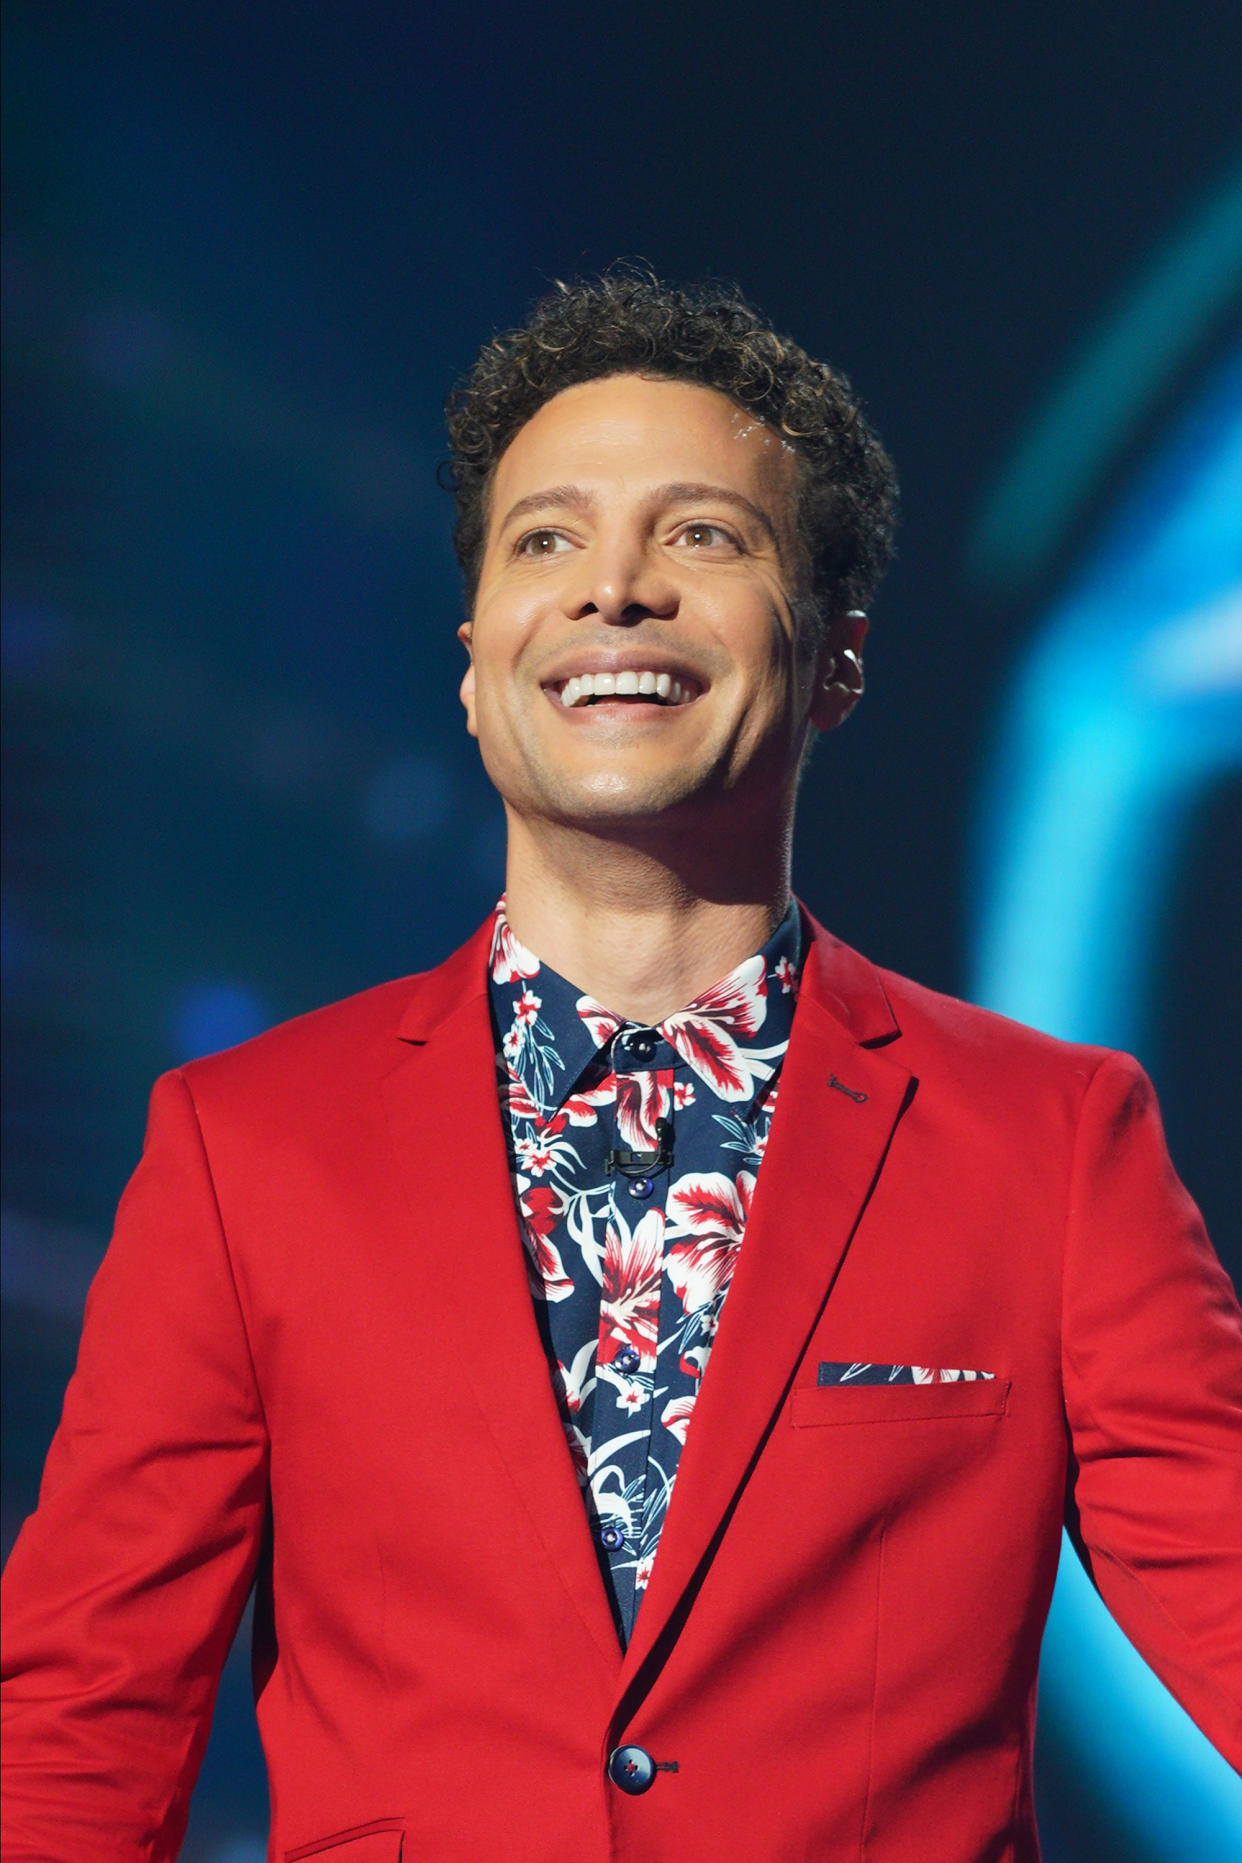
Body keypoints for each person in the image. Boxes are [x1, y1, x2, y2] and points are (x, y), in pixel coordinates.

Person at [2, 270, 1239, 1863]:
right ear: (471, 663)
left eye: (702, 537)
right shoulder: (248, 1146)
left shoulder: (1047, 1140)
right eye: (548, 540)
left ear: (837, 663)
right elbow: (84, 1724)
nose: (615, 592)